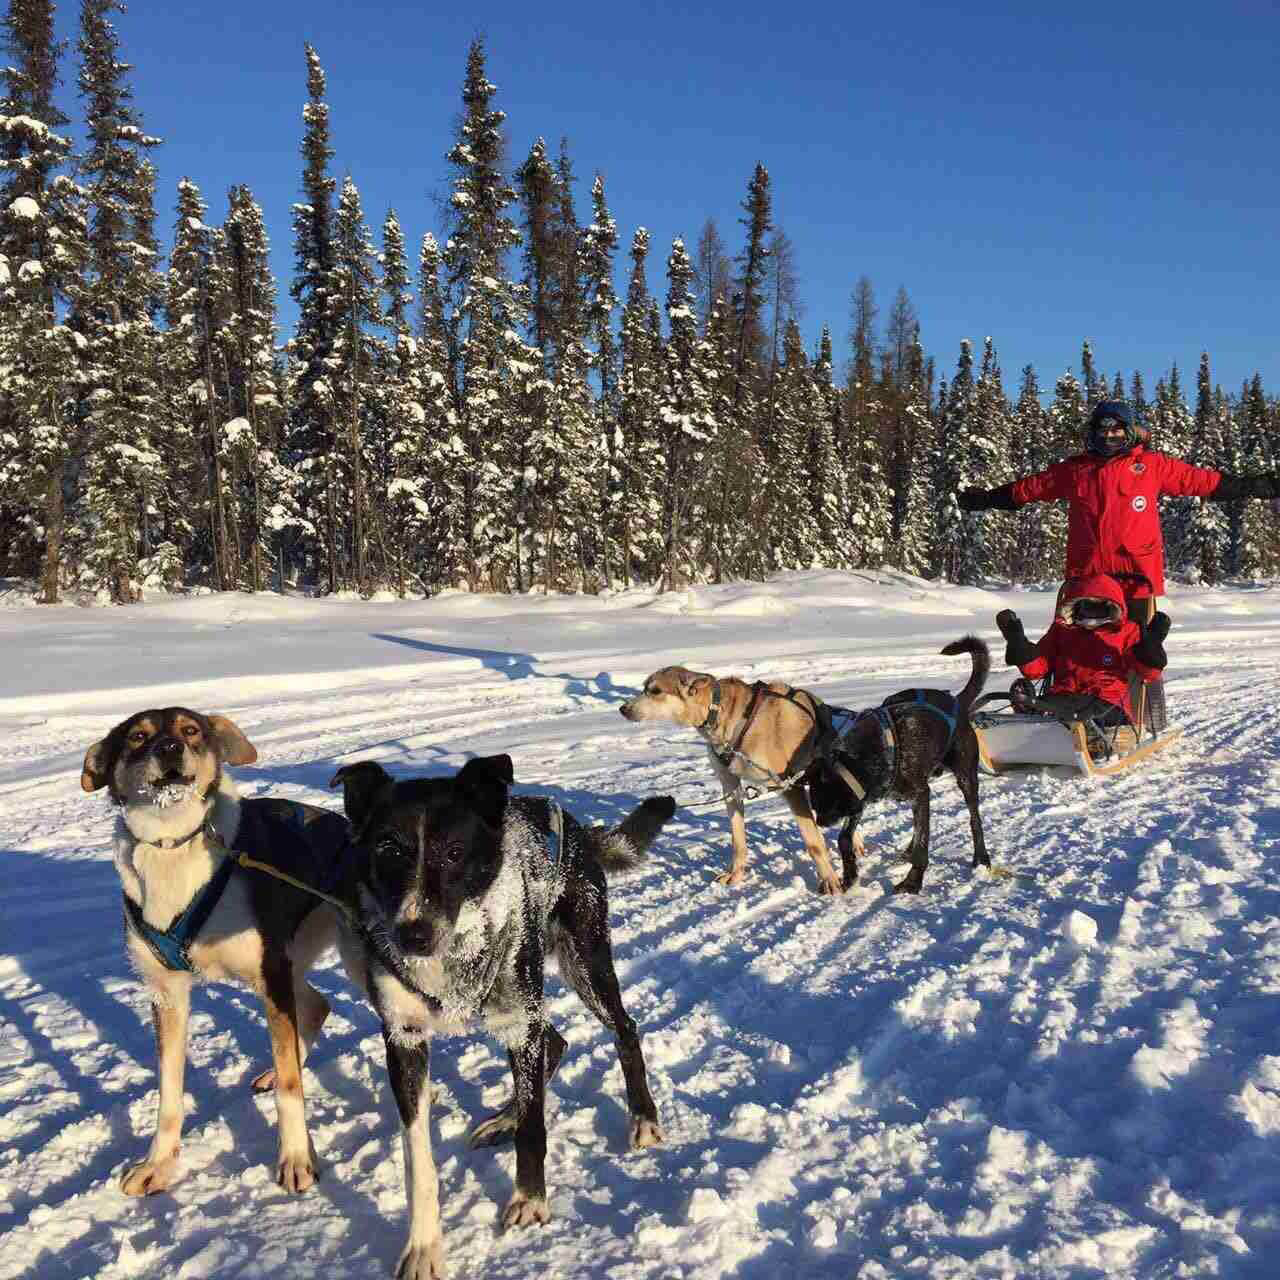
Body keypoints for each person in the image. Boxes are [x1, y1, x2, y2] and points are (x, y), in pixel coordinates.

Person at [959, 399, 1280, 605]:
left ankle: (1143, 710)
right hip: (1086, 577)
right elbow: (1029, 489)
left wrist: (1260, 485)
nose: (1110, 436)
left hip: (1137, 579)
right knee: (1077, 652)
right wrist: (987, 498)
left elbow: (1205, 482)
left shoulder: (1153, 466)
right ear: (1093, 435)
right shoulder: (1075, 470)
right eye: (1103, 431)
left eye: (1117, 431)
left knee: (1140, 656)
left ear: (1130, 433)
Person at [995, 574, 1168, 740]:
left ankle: (1044, 718)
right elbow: (1037, 669)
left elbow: (1149, 674)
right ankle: (1034, 716)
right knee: (1052, 706)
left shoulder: (1127, 632)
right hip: (1063, 697)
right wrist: (1018, 644)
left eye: (1098, 608)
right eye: (1085, 608)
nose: (1091, 615)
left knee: (1077, 712)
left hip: (1108, 703)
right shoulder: (1062, 631)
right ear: (1074, 608)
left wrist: (1150, 649)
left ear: (1111, 608)